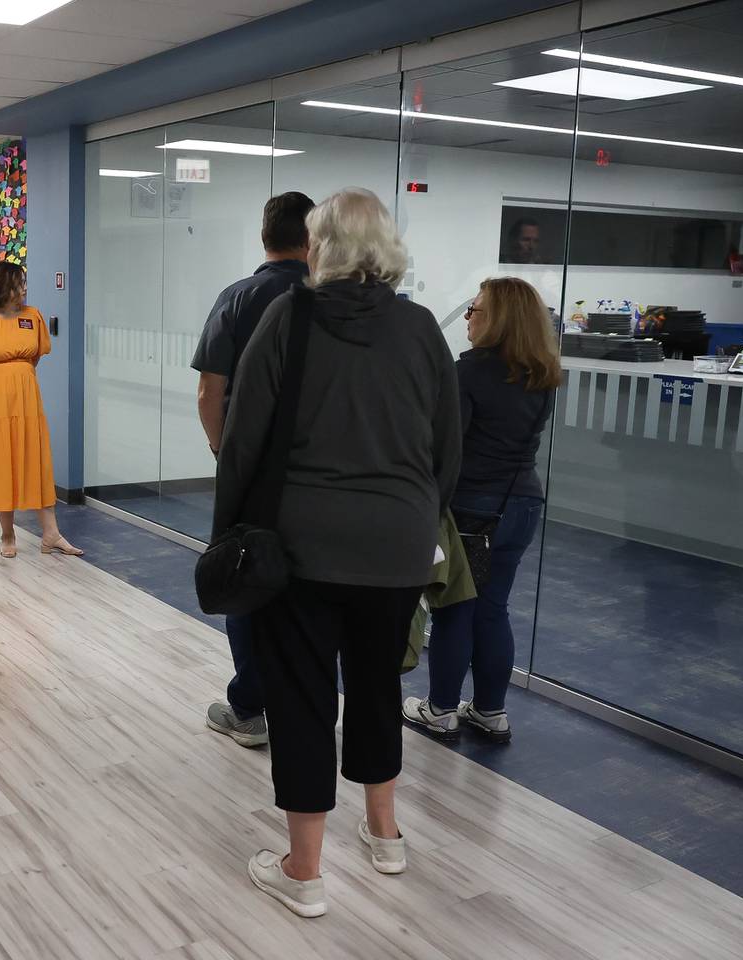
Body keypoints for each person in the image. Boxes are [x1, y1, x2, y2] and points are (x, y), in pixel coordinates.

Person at [213, 188, 460, 918]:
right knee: (378, 684)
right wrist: (415, 518)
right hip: (398, 547)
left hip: (302, 550)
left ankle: (305, 871)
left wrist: (229, 534)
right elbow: (448, 447)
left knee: (302, 699)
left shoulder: (290, 317)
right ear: (385, 247)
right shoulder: (421, 329)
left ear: (319, 246)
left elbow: (244, 438)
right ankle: (385, 835)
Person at [404, 277, 560, 743]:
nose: (468, 318)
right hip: (523, 505)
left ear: (500, 320)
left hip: (475, 511)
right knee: (492, 609)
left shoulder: (469, 372)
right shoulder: (542, 373)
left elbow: (446, 446)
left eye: (476, 309)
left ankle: (441, 710)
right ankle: (491, 711)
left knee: (455, 610)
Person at [190, 191, 315, 750]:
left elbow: (208, 392)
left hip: (252, 470)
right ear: (312, 238)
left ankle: (248, 708)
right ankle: (299, 701)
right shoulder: (326, 299)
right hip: (316, 473)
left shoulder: (238, 298)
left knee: (244, 575)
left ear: (264, 237)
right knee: (307, 587)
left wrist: (226, 455)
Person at [0, 260, 82, 559]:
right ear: (3, 287)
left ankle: (51, 534)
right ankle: (7, 532)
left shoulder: (33, 316)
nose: (25, 287)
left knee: (35, 459)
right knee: (1, 460)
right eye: (19, 283)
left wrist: (18, 376)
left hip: (27, 399)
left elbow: (35, 355)